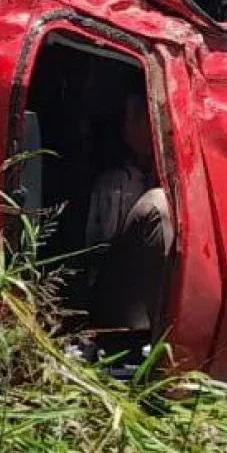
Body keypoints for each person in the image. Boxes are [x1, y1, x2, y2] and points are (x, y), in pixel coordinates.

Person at [84, 90, 175, 341]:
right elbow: (99, 255)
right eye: (139, 118)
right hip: (113, 298)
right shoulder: (115, 183)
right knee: (157, 205)